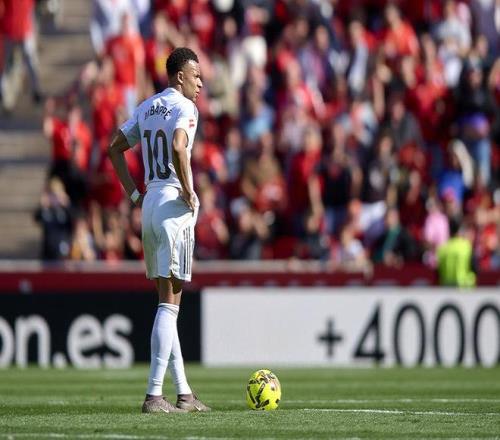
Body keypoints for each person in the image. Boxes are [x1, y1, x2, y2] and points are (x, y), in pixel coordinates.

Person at [108, 47, 210, 413]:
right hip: (173, 205)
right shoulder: (186, 108)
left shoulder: (147, 106)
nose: (200, 83)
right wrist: (188, 190)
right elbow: (180, 146)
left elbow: (114, 148)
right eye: (196, 75)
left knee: (168, 304)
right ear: (180, 76)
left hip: (150, 201)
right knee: (170, 304)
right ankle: (154, 395)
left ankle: (184, 394)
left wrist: (135, 194)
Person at [437, 217, 476, 287]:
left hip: (446, 288)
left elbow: (438, 271)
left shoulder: (442, 248)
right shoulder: (466, 246)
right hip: (465, 288)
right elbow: (474, 267)